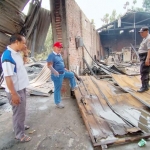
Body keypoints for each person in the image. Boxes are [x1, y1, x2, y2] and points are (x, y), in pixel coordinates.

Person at [1, 34, 31, 142]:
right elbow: (8, 78)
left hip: (21, 86)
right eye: (23, 43)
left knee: (20, 111)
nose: (25, 45)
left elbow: (22, 64)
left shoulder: (17, 53)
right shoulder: (7, 57)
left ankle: (20, 125)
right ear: (16, 42)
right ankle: (20, 135)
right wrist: (14, 94)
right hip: (15, 90)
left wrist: (25, 54)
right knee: (19, 112)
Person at [47, 42, 77, 108]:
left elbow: (60, 63)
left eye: (60, 47)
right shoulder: (51, 55)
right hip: (57, 75)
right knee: (57, 89)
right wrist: (55, 72)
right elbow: (49, 66)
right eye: (58, 47)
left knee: (71, 74)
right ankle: (58, 102)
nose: (59, 49)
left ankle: (73, 86)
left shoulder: (59, 55)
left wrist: (64, 68)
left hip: (63, 72)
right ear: (54, 47)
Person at [137, 26, 150, 92]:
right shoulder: (145, 38)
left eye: (142, 32)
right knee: (145, 71)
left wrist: (147, 59)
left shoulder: (148, 38)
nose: (141, 34)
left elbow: (149, 49)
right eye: (140, 33)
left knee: (143, 71)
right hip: (143, 56)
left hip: (145, 56)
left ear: (147, 32)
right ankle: (146, 85)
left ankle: (144, 87)